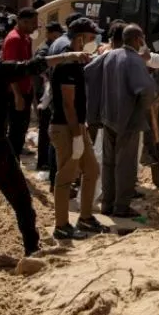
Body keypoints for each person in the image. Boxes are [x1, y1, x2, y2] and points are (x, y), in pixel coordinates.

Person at [0, 29, 87, 274]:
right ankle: (31, 248)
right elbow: (33, 66)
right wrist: (68, 56)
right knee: (21, 201)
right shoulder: (0, 71)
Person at [85, 24, 156, 219]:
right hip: (128, 121)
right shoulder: (135, 61)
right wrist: (144, 107)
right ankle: (121, 206)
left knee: (108, 163)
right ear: (137, 39)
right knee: (125, 164)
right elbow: (146, 91)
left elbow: (89, 70)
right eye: (142, 38)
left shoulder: (110, 55)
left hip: (108, 117)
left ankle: (107, 204)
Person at [48, 18, 106, 240]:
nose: (92, 42)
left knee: (91, 170)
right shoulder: (68, 64)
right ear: (80, 37)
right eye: (91, 38)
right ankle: (61, 225)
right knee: (65, 176)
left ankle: (85, 217)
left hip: (77, 126)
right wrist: (76, 136)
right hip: (66, 128)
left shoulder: (74, 58)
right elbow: (67, 104)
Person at [2, 7, 38, 158]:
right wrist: (17, 95)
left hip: (26, 90)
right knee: (16, 129)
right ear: (23, 22)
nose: (36, 26)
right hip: (16, 92)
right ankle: (11, 162)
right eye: (34, 23)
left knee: (22, 127)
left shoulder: (26, 38)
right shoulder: (14, 39)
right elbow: (10, 70)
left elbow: (28, 66)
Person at [34, 21, 65, 176]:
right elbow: (39, 66)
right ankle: (43, 161)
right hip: (43, 93)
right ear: (53, 33)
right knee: (45, 128)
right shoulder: (45, 49)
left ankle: (44, 161)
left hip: (44, 92)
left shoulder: (48, 47)